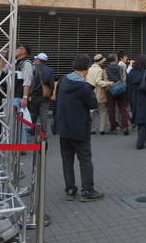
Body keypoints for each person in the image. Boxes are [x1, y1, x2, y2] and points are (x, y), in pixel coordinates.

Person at [52, 54, 104, 202]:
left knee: (67, 160)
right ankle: (87, 191)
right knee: (85, 160)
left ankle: (70, 189)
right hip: (79, 128)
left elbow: (56, 101)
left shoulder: (63, 80)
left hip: (63, 127)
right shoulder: (83, 86)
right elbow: (92, 104)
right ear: (87, 68)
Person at [127, 54, 146, 149]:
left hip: (135, 99)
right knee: (144, 121)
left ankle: (143, 139)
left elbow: (129, 89)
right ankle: (140, 143)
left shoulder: (131, 73)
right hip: (145, 99)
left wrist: (130, 101)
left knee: (140, 120)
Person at [28, 52, 54, 137]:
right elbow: (51, 84)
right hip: (45, 95)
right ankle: (43, 131)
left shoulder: (33, 68)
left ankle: (32, 129)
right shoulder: (49, 70)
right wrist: (50, 93)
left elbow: (30, 81)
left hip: (34, 94)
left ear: (38, 60)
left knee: (33, 113)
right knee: (44, 114)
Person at [105, 53, 130, 135]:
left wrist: (111, 87)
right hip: (120, 90)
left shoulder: (105, 69)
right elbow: (124, 79)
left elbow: (106, 81)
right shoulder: (121, 68)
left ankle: (113, 128)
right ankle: (125, 127)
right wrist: (122, 86)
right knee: (123, 108)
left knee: (111, 110)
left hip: (110, 91)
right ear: (116, 60)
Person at [15, 43, 34, 145]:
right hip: (11, 96)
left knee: (19, 123)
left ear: (24, 51)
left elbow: (27, 81)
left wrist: (25, 97)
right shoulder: (14, 62)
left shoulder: (26, 64)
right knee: (12, 122)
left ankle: (21, 144)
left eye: (18, 48)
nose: (16, 50)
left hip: (18, 97)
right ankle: (14, 143)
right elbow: (3, 70)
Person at [87, 54, 111, 135]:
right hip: (99, 92)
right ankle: (102, 129)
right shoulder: (100, 70)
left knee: (91, 111)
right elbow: (98, 81)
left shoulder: (89, 69)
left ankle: (92, 129)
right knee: (102, 111)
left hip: (90, 92)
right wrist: (108, 83)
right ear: (100, 62)